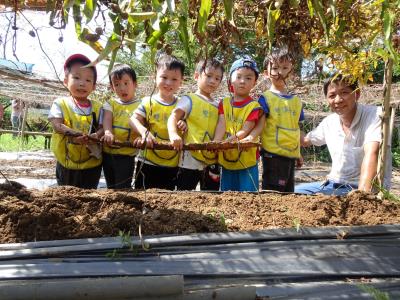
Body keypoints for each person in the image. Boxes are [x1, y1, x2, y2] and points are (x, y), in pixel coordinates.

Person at [295, 74, 391, 195]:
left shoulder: (374, 115)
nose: (338, 100)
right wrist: (287, 121)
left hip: (357, 188)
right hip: (331, 184)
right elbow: (304, 140)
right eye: (332, 95)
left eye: (344, 92)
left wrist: (361, 197)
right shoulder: (329, 122)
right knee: (292, 192)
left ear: (357, 94)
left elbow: (372, 152)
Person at [252, 47, 304, 192]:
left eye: (285, 67)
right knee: (273, 193)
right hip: (272, 155)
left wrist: (298, 153)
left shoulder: (296, 101)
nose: (280, 72)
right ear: (266, 73)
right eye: (275, 68)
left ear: (292, 72)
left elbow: (296, 128)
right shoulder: (265, 99)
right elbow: (260, 125)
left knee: (289, 192)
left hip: (291, 154)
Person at [48, 54, 103, 189]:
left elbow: (102, 128)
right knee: (66, 195)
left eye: (88, 80)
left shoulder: (98, 107)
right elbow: (57, 125)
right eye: (76, 77)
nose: (82, 83)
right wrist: (75, 134)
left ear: (94, 86)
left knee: (89, 197)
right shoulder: (60, 103)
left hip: (92, 164)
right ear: (66, 80)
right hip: (67, 163)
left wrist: (96, 135)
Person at [168, 58, 224, 190]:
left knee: (212, 196)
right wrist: (173, 134)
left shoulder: (219, 105)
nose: (212, 81)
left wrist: (216, 141)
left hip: (212, 158)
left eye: (217, 78)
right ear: (196, 76)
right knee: (184, 193)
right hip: (189, 158)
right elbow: (173, 117)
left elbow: (221, 126)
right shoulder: (189, 99)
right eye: (208, 76)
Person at [130, 54, 185, 190]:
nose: (168, 83)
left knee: (166, 200)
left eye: (174, 79)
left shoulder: (182, 104)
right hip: (148, 160)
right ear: (155, 77)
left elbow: (187, 123)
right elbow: (133, 119)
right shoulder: (148, 101)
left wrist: (184, 125)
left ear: (181, 81)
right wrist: (143, 132)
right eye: (164, 77)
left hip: (172, 162)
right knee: (142, 196)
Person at [213, 56, 262, 192]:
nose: (242, 81)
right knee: (227, 192)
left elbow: (246, 130)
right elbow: (221, 124)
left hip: (247, 159)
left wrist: (230, 140)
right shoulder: (224, 103)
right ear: (230, 80)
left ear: (254, 82)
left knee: (248, 193)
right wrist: (216, 142)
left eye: (248, 78)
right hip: (227, 157)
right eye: (239, 76)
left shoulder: (254, 106)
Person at [102, 64, 140, 189]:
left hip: (126, 154)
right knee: (111, 185)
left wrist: (140, 137)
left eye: (126, 83)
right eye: (117, 84)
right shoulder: (111, 104)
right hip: (108, 151)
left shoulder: (141, 105)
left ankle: (123, 207)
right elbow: (107, 119)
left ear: (135, 84)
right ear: (112, 87)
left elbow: (143, 124)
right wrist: (108, 132)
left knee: (123, 186)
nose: (122, 88)